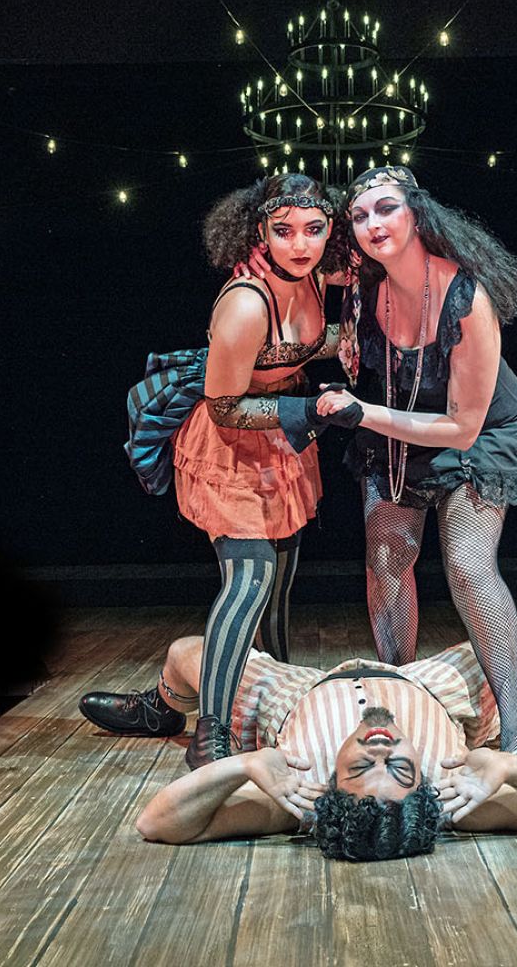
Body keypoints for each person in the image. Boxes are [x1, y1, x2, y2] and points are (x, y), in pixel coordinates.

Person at [313, 165, 517, 760]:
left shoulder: (466, 298)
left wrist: (361, 413)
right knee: (385, 553)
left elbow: (462, 425)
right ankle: (394, 702)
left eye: (386, 209)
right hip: (396, 420)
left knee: (469, 565)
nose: (373, 223)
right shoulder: (362, 281)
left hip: (476, 432)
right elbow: (285, 248)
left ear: (417, 213)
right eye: (360, 215)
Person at [81, 618, 517, 860]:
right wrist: (508, 768)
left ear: (332, 788)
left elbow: (156, 823)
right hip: (429, 685)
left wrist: (245, 767)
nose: (381, 751)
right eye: (400, 770)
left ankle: (162, 710)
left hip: (293, 694)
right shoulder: (447, 798)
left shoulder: (301, 798)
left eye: (361, 770)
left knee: (186, 653)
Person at [150, 172, 357, 770]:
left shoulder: (317, 274)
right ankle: (210, 731)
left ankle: (282, 696)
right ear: (259, 230)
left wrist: (344, 337)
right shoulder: (246, 302)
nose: (301, 244)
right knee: (249, 580)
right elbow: (224, 405)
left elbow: (375, 276)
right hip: (231, 444)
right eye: (284, 230)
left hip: (283, 446)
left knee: (283, 576)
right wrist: (304, 407)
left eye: (315, 230)